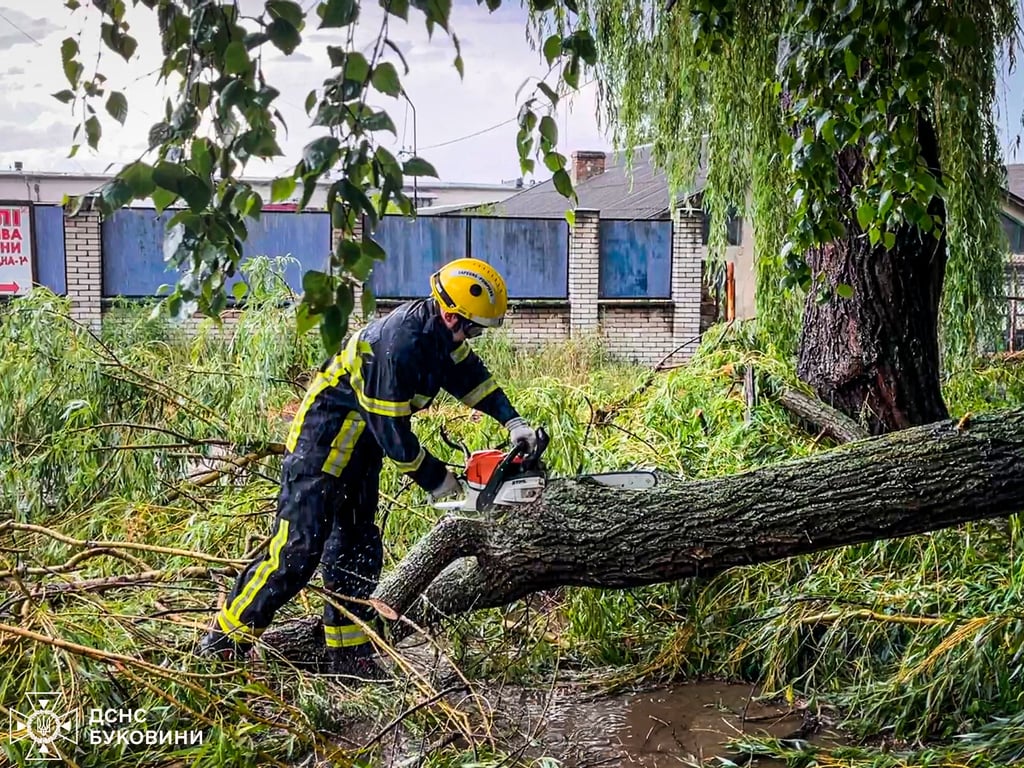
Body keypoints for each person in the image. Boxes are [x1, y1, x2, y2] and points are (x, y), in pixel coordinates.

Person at [198, 257, 537, 679]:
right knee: (296, 552)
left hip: (361, 453)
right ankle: (223, 642)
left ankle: (348, 656)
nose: (475, 336)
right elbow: (395, 438)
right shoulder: (397, 345)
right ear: (452, 315)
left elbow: (472, 379)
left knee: (357, 547)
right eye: (474, 327)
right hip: (320, 449)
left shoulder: (440, 338)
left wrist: (512, 420)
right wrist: (440, 482)